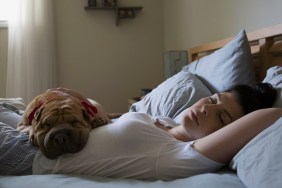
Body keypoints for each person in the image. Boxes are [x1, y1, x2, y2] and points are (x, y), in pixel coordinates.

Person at [0, 83, 281, 180]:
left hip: (31, 157)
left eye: (221, 116)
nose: (206, 108)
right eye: (211, 99)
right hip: (35, 132)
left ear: (228, 133)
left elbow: (271, 114)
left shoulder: (185, 155)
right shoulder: (166, 121)